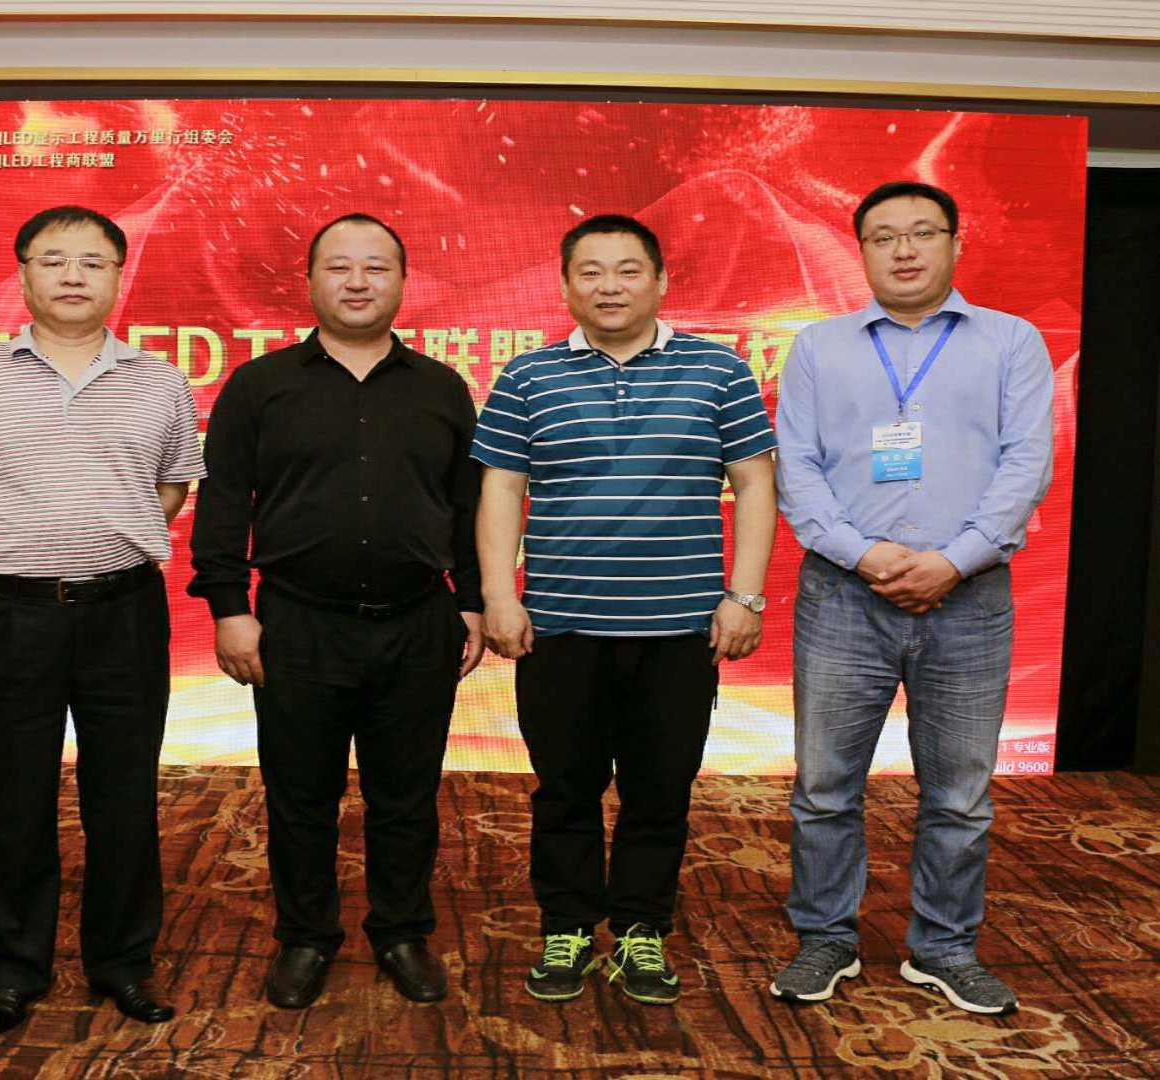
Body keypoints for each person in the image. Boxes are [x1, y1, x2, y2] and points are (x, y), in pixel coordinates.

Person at [473, 214, 778, 1006]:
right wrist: (500, 595)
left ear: (661, 280)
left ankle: (643, 927)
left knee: (660, 791)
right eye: (591, 272)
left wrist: (744, 595)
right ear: (566, 285)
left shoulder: (719, 371)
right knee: (563, 789)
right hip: (560, 627)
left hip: (680, 631)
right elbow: (502, 488)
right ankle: (567, 926)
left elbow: (754, 483)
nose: (610, 287)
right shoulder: (527, 377)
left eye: (628, 270)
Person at [0, 205, 203, 1034]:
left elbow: (173, 486)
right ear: (23, 274)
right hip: (11, 615)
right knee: (13, 795)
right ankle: (13, 969)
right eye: (53, 260)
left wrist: (110, 544)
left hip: (124, 612)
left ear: (117, 276)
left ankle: (123, 963)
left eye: (92, 261)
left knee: (126, 796)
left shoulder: (160, 381)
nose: (73, 275)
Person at [770, 180, 1054, 1015]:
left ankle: (944, 947)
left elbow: (1026, 463)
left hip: (970, 598)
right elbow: (797, 467)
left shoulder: (1011, 341)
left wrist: (953, 562)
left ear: (956, 244)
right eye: (883, 236)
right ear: (859, 250)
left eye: (923, 232)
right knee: (825, 787)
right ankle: (826, 939)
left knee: (959, 795)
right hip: (842, 596)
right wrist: (865, 555)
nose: (904, 250)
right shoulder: (818, 346)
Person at [187, 213, 484, 1008]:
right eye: (339, 267)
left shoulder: (442, 388)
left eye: (376, 267)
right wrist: (229, 608)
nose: (358, 282)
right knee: (301, 796)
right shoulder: (259, 386)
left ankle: (401, 931)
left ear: (403, 282)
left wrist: (473, 604)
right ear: (311, 280)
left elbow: (466, 508)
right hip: (297, 624)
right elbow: (224, 503)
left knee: (406, 795)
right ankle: (306, 937)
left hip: (417, 622)